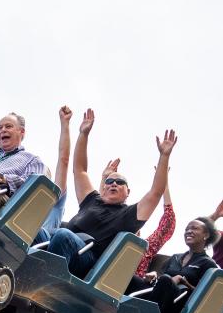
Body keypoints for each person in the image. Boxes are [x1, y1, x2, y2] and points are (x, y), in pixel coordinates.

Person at [41, 108, 175, 278]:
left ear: (128, 192)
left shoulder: (128, 215)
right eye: (109, 181)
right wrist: (83, 134)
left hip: (86, 260)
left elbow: (155, 193)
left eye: (120, 182)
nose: (113, 184)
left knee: (62, 235)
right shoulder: (91, 200)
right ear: (103, 186)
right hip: (59, 246)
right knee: (39, 232)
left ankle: (44, 280)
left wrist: (164, 157)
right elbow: (79, 170)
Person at [129, 217, 218, 313]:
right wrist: (154, 275)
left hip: (178, 304)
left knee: (166, 280)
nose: (189, 231)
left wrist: (184, 282)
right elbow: (161, 278)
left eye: (194, 228)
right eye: (187, 229)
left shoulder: (208, 264)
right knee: (132, 278)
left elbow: (207, 297)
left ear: (206, 235)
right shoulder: (175, 257)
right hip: (158, 296)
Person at [40, 105, 74, 235]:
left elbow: (63, 160)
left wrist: (65, 125)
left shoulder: (54, 202)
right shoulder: (21, 207)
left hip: (41, 245)